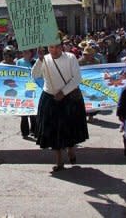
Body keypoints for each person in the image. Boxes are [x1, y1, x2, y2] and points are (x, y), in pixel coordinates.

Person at [31, 38, 89, 172]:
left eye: (57, 47)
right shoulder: (44, 59)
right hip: (49, 98)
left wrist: (63, 92)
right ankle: (59, 161)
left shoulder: (70, 58)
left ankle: (71, 150)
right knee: (53, 130)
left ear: (62, 47)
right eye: (51, 47)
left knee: (69, 128)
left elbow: (77, 78)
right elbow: (34, 75)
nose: (54, 50)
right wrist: (39, 60)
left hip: (68, 98)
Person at [16, 49, 37, 139]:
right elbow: (16, 73)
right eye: (24, 52)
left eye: (27, 52)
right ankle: (25, 132)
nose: (25, 53)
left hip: (31, 86)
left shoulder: (35, 62)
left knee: (32, 110)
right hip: (22, 87)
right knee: (23, 110)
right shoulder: (19, 62)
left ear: (31, 53)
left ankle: (34, 130)